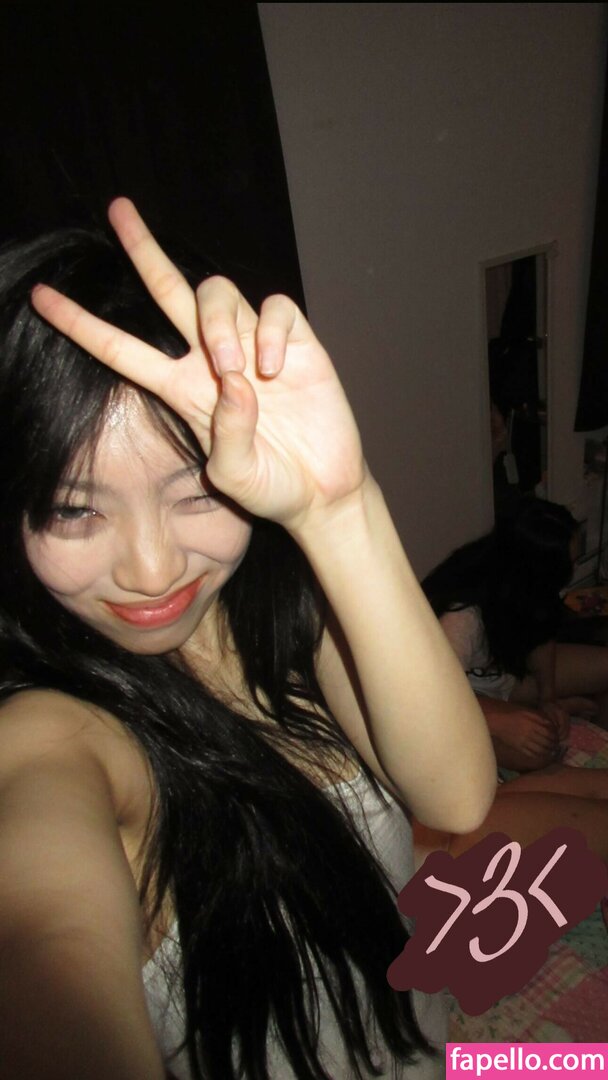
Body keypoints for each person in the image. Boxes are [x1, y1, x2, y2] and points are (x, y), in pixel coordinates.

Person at [0, 199, 496, 1080]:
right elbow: (42, 936)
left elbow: (457, 798)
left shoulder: (279, 605)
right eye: (75, 510)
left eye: (195, 491)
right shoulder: (48, 735)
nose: (153, 571)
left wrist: (340, 508)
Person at [422, 499, 608, 773]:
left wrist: (548, 698)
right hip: (464, 697)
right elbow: (433, 697)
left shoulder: (525, 583)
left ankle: (540, 710)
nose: (575, 568)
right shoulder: (460, 617)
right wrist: (499, 722)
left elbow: (542, 635)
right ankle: (526, 714)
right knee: (539, 749)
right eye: (569, 563)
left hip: (505, 675)